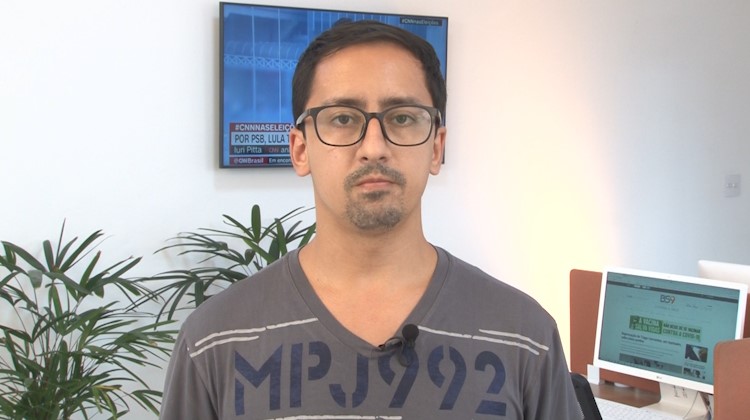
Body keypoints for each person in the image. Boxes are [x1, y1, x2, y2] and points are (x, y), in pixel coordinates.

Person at [160, 20, 583, 419]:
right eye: (343, 118)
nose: (374, 147)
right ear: (300, 150)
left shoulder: (525, 337)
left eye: (402, 117)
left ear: (436, 148)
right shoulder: (213, 340)